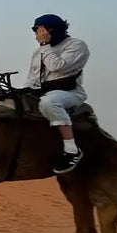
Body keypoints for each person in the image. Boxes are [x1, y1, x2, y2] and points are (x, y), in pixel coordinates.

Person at [27, 13, 90, 174]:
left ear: (52, 30)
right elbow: (33, 77)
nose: (38, 34)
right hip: (40, 91)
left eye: (41, 30)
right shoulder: (38, 52)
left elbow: (57, 66)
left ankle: (72, 150)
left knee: (49, 103)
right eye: (36, 30)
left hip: (68, 92)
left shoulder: (76, 46)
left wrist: (44, 45)